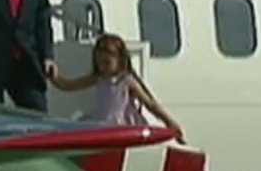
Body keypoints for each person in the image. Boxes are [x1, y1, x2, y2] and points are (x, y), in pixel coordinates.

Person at [49, 33, 183, 139]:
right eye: (99, 63)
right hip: (101, 121)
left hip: (121, 123)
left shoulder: (126, 81)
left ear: (120, 60)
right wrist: (54, 78)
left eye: (107, 63)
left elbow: (150, 104)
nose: (103, 67)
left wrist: (169, 121)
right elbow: (70, 86)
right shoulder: (98, 79)